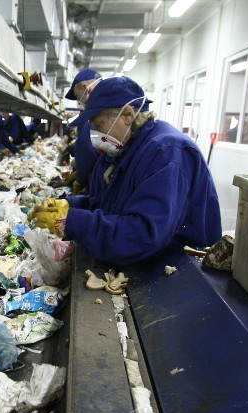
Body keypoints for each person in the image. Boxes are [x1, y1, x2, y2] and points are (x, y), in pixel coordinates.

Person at [30, 76, 222, 266]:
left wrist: (71, 221)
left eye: (99, 125)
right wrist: (69, 205)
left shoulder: (166, 153)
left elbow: (143, 234)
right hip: (152, 262)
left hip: (178, 271)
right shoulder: (125, 149)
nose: (96, 135)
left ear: (128, 115)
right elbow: (109, 204)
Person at [65, 69, 103, 193]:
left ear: (85, 87)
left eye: (77, 96)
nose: (78, 101)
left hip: (95, 180)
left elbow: (87, 148)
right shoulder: (103, 108)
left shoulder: (90, 115)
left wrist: (80, 178)